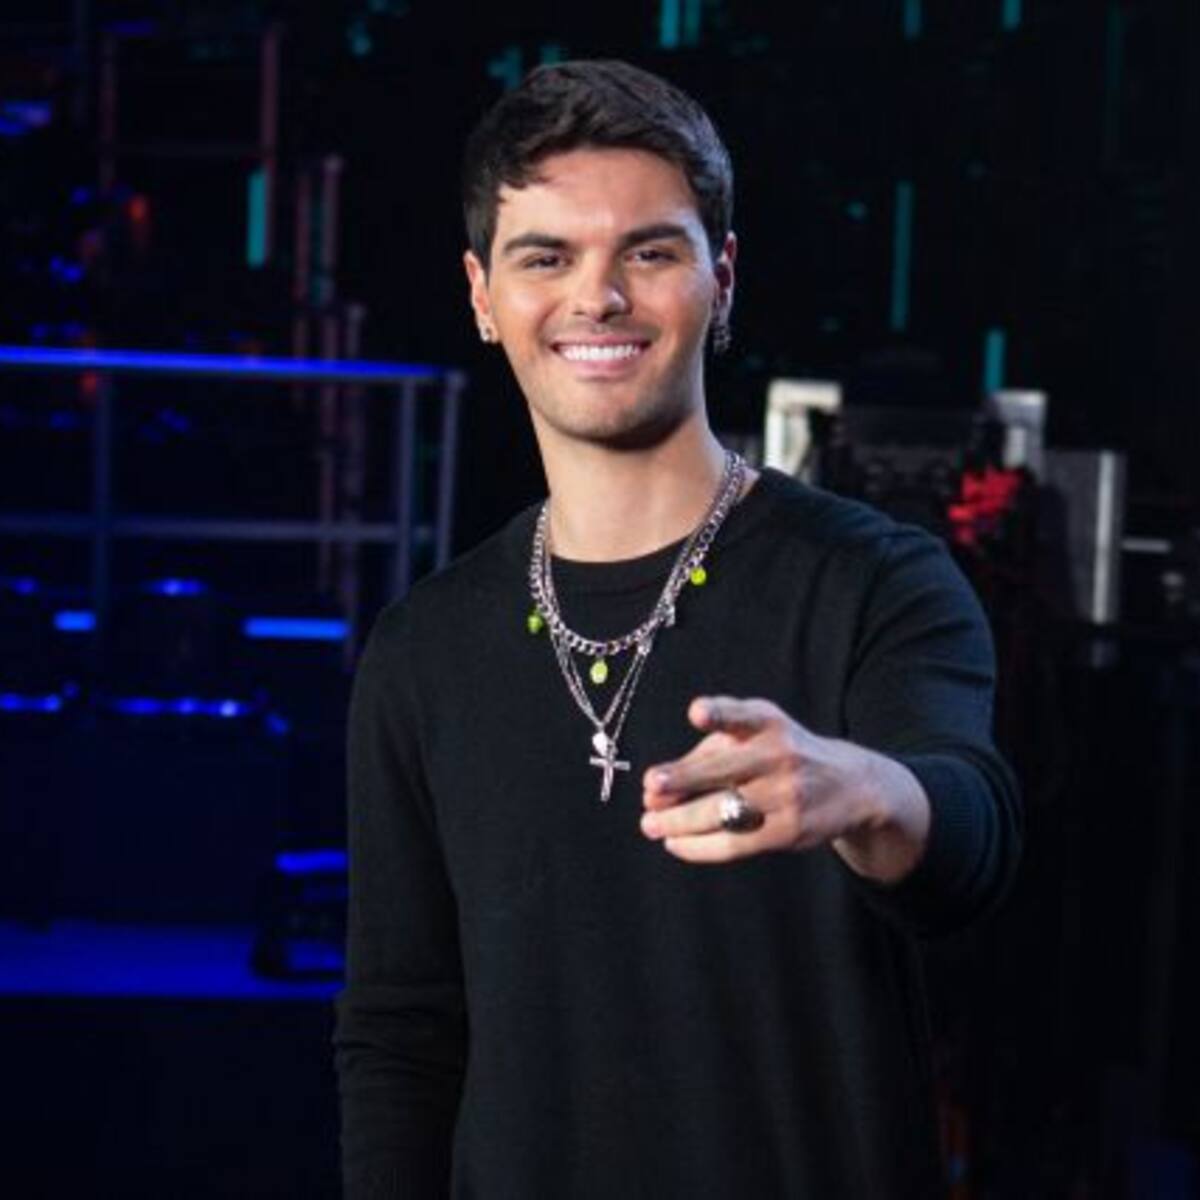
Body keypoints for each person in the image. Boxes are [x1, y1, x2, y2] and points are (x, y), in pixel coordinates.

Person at [333, 59, 1021, 1199]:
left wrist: (864, 792)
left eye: (649, 253)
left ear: (722, 278)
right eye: (546, 257)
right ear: (481, 296)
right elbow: (402, 1030)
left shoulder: (876, 581)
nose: (598, 297)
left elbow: (973, 840)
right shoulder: (423, 650)